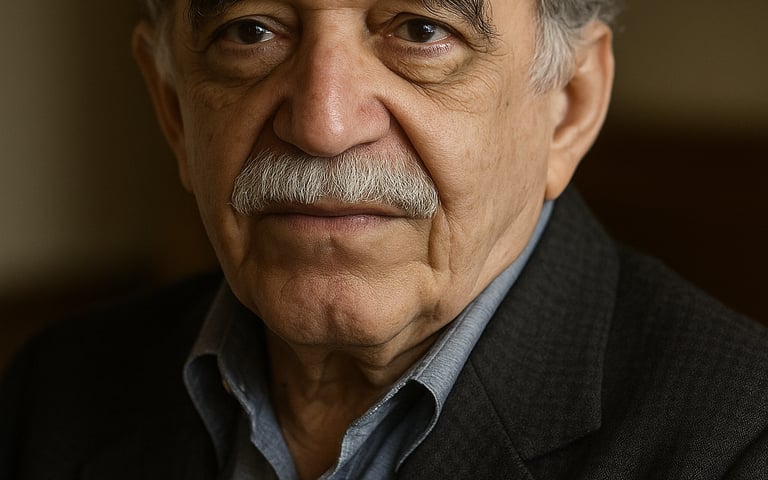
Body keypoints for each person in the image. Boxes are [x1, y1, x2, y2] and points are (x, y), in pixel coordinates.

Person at [1, 0, 767, 478]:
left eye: (422, 30)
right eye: (251, 31)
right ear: (173, 110)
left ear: (568, 105)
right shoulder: (55, 394)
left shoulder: (738, 444)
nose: (323, 125)